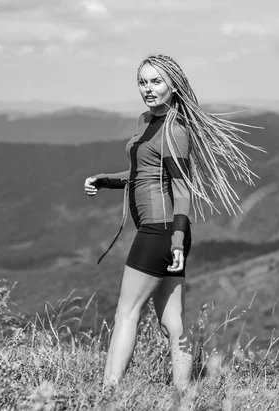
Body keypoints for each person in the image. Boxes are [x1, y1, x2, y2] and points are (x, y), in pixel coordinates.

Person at [84, 54, 263, 390]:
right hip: (169, 234)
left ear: (173, 85)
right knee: (172, 324)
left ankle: (107, 392)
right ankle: (183, 395)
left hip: (162, 232)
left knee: (127, 311)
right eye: (143, 81)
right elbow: (143, 175)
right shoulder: (145, 121)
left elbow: (182, 190)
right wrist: (104, 180)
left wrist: (177, 241)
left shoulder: (174, 130)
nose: (148, 89)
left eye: (157, 82)